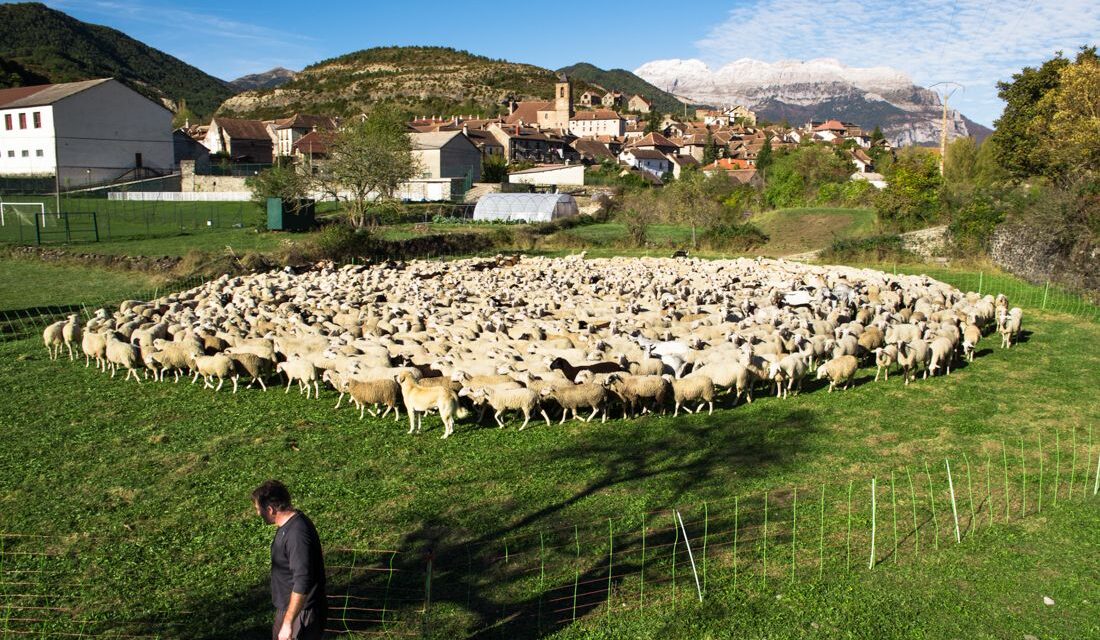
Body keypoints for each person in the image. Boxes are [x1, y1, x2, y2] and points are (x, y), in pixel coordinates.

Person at [252, 480, 327, 640]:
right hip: (292, 611)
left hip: (301, 614)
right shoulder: (289, 525)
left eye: (258, 509)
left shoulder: (297, 534)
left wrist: (288, 623)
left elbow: (302, 581)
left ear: (270, 509)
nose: (258, 513)